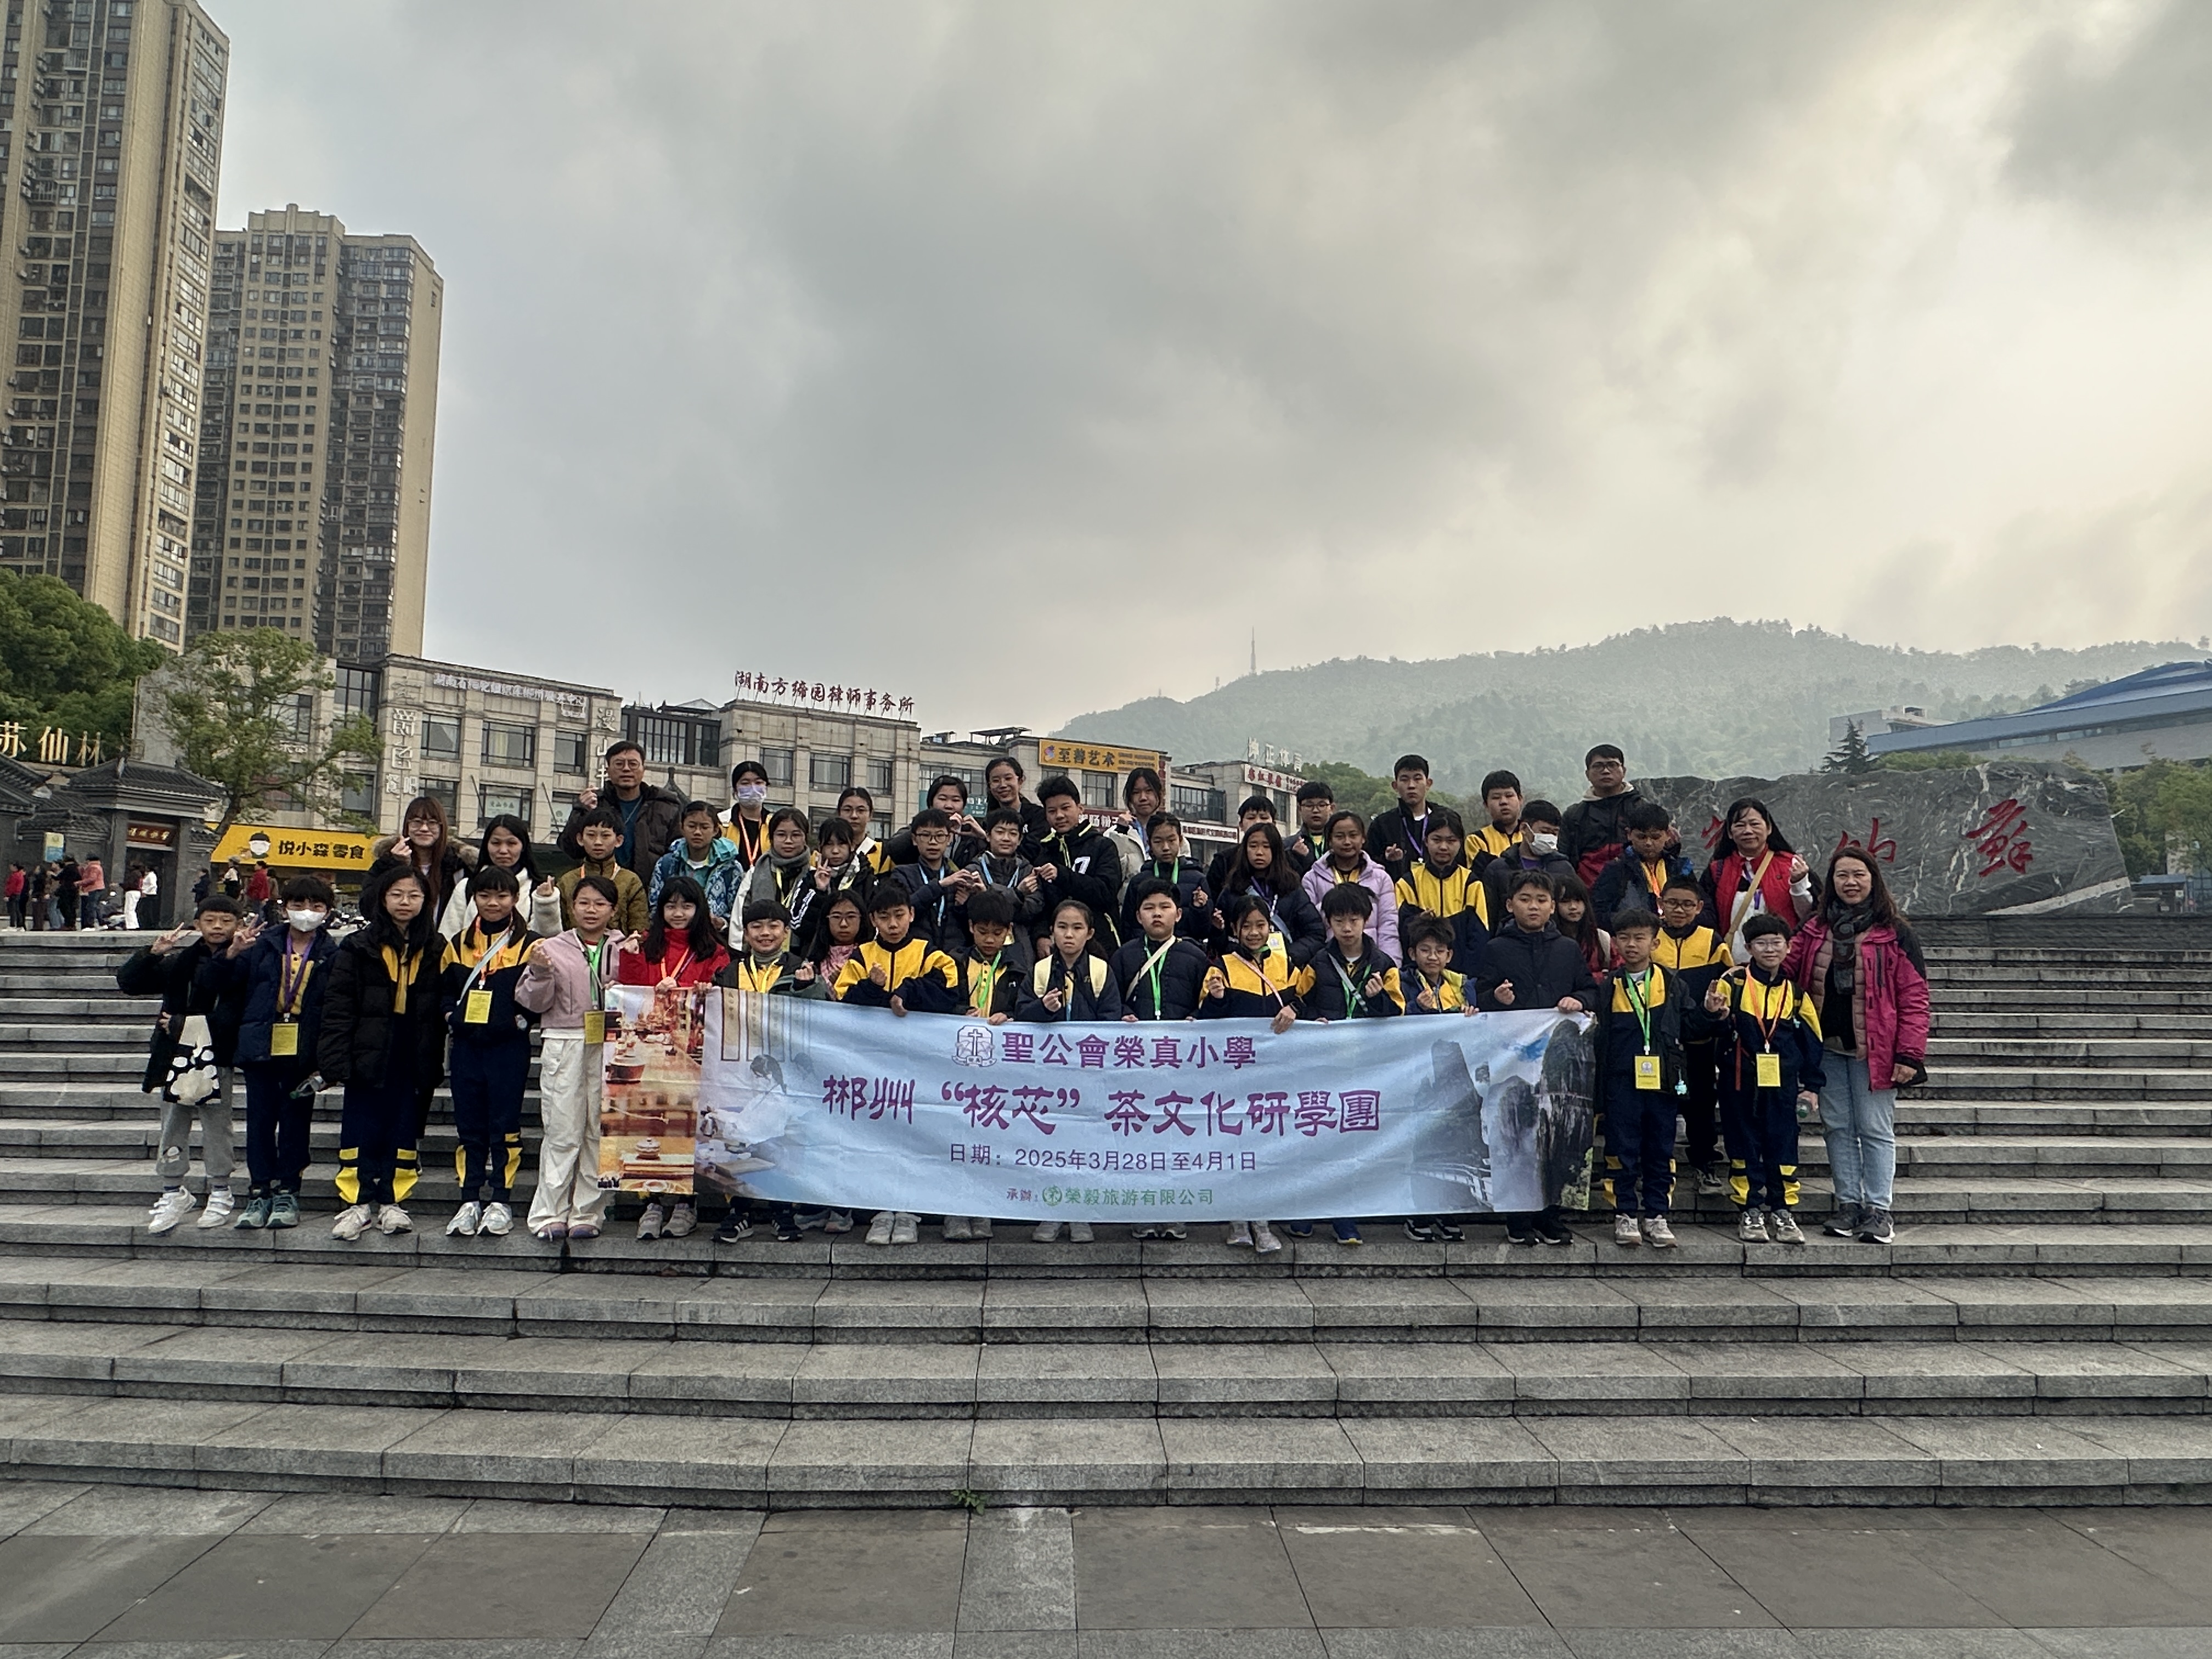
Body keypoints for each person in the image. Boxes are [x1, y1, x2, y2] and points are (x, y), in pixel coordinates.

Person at [1783, 847, 1929, 1246]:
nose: (1850, 882)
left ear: (1873, 880)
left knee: (1875, 1129)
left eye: (1858, 875)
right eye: (1842, 875)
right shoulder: (1815, 928)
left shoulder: (1895, 932)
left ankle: (1879, 1210)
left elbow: (1915, 996)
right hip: (1826, 1047)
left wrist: (1910, 1054)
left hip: (1875, 1050)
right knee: (1837, 1127)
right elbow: (1786, 967)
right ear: (1830, 883)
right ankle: (1848, 1204)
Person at [318, 864, 445, 1241]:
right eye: (397, 895)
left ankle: (393, 1200)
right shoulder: (358, 946)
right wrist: (335, 1059)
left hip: (413, 1046)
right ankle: (356, 1202)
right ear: (382, 899)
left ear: (426, 901)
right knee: (361, 1125)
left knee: (403, 1124)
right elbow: (338, 1006)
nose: (405, 902)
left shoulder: (436, 946)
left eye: (414, 895)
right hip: (368, 1046)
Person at [1476, 870, 1598, 1246]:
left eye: (1542, 900)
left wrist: (1579, 1000)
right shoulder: (1496, 948)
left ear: (1553, 907)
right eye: (1525, 899)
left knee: (1555, 1138)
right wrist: (1497, 999)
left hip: (1558, 1066)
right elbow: (1478, 999)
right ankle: (1518, 1217)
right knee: (1517, 1137)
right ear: (1510, 904)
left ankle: (1551, 1215)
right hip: (1513, 1067)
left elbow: (1591, 991)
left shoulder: (1567, 949)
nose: (1534, 907)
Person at [117, 896, 250, 1233]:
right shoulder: (182, 961)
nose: (217, 927)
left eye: (226, 921)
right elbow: (130, 983)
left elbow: (235, 1011)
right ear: (197, 924)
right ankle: (173, 1190)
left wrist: (181, 1024)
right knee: (173, 1122)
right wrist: (153, 953)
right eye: (210, 920)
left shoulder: (246, 960)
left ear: (239, 924)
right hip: (174, 1054)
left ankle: (220, 1189)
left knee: (217, 1124)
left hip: (217, 1053)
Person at [618, 874, 731, 1242]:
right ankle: (652, 1202)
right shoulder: (645, 946)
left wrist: (706, 990)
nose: (678, 913)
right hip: (649, 1053)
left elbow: (721, 994)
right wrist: (631, 959)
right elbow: (629, 994)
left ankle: (686, 1204)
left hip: (693, 1054)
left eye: (687, 906)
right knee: (651, 1123)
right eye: (671, 906)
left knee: (686, 1125)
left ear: (700, 909)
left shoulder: (714, 951)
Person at [1286, 883, 1402, 1248]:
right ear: (1329, 922)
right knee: (1316, 1138)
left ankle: (1344, 1217)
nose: (1347, 928)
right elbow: (1297, 1002)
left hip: (1365, 1069)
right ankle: (1306, 1210)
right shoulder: (1317, 962)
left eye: (1354, 920)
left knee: (1350, 1144)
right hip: (1322, 1067)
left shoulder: (1384, 966)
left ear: (1367, 920)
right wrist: (1309, 1019)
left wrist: (1378, 998)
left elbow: (1398, 1015)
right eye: (1339, 921)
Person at [222, 876, 338, 1230]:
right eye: (298, 905)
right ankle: (259, 1189)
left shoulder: (332, 952)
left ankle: (288, 1188)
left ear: (327, 912)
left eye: (316, 906)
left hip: (303, 1048)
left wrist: (326, 1059)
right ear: (285, 907)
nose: (307, 912)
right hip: (262, 1043)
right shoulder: (263, 944)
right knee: (259, 1121)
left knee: (295, 1121)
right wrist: (233, 954)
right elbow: (228, 988)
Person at [515, 872, 625, 1242]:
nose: (591, 910)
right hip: (565, 1039)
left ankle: (588, 1212)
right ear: (571, 907)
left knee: (599, 1129)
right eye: (583, 903)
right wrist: (540, 972)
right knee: (562, 1129)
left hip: (610, 1042)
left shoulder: (625, 947)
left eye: (600, 904)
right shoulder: (551, 947)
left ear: (613, 909)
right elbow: (533, 1002)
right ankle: (549, 1212)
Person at [714, 899, 832, 1243]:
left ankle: (783, 1211)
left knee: (780, 1138)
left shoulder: (801, 968)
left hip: (785, 1072)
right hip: (740, 1068)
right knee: (741, 1137)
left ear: (786, 931)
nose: (765, 933)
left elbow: (824, 1015)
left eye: (773, 926)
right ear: (746, 933)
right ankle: (740, 1211)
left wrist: (810, 988)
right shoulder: (730, 971)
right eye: (756, 927)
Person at [1705, 913, 1824, 1246]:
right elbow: (1713, 1028)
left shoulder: (1795, 993)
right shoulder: (1733, 984)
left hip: (1781, 1083)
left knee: (1783, 1143)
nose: (1769, 950)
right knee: (1742, 1144)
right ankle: (1750, 1209)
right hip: (1739, 1081)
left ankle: (1783, 1210)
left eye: (1776, 943)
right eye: (1761, 943)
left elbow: (1812, 1042)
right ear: (1748, 948)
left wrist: (1812, 1086)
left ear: (1788, 947)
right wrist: (1715, 1014)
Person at [437, 865, 541, 1242]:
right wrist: (451, 1016)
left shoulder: (531, 944)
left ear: (515, 899)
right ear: (474, 899)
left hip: (508, 1048)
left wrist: (520, 1021)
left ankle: (501, 1199)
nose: (493, 903)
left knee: (504, 1125)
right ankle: (469, 1199)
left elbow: (540, 994)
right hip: (466, 1047)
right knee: (469, 1126)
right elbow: (444, 990)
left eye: (502, 896)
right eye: (485, 895)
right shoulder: (458, 943)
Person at [1593, 908, 1692, 1250]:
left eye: (1640, 938)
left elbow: (1692, 1026)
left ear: (1655, 942)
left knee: (1660, 1149)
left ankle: (1657, 1214)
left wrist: (1713, 1013)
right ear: (1616, 943)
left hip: (1662, 1082)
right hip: (1622, 1082)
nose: (1632, 945)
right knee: (1622, 1149)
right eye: (1624, 938)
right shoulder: (1609, 987)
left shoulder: (1673, 984)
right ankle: (1625, 1213)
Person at [1022, 899, 1119, 1245]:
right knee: (1050, 1145)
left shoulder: (1101, 971)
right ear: (1052, 931)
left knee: (1083, 1145)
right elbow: (1021, 1016)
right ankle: (1050, 1213)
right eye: (1062, 927)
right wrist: (1043, 1009)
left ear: (1089, 933)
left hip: (1087, 1074)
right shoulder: (1040, 970)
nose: (1069, 935)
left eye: (1077, 928)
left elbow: (1111, 1019)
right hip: (1048, 1075)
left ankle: (1081, 1214)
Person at [1655, 874, 1731, 1197]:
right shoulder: (1651, 937)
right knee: (1659, 1106)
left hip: (1699, 1040)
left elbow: (1726, 985)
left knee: (1701, 1105)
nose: (1679, 910)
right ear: (1661, 903)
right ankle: (1655, 1168)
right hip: (1659, 1042)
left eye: (1687, 904)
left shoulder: (1712, 941)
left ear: (1699, 907)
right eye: (1672, 903)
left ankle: (1705, 1165)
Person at [1701, 797, 1816, 957]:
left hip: (1782, 961)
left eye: (1755, 824)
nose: (1748, 831)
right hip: (1732, 962)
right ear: (1729, 833)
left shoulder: (1792, 865)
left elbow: (1811, 916)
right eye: (1740, 825)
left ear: (1769, 828)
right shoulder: (1717, 870)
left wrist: (1798, 884)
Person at [561, 740, 686, 883]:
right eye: (619, 764)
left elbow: (679, 854)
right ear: (608, 770)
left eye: (633, 764)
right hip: (600, 889)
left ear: (643, 769)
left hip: (651, 889)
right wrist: (581, 810)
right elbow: (571, 850)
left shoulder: (666, 806)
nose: (626, 769)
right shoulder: (596, 803)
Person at [1210, 821, 1327, 969]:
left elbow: (1315, 933)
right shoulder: (1232, 890)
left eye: (1266, 847)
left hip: (1285, 970)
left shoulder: (1292, 888)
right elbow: (1220, 942)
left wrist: (1289, 957)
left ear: (1276, 850)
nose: (1259, 852)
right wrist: (1222, 936)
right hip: (1243, 970)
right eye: (1253, 846)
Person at [1393, 808, 1488, 974]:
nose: (1443, 847)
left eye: (1451, 841)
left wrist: (1466, 977)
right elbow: (1400, 931)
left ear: (1460, 843)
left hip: (1461, 976)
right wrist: (1419, 922)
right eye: (1436, 840)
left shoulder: (1471, 884)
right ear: (1426, 841)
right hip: (1417, 976)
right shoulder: (1408, 883)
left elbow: (1479, 937)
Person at [1301, 809, 1402, 966]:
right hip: (1328, 963)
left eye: (1353, 835)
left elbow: (1388, 927)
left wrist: (1390, 966)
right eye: (1339, 836)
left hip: (1371, 963)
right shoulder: (1312, 879)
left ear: (1363, 839)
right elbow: (1310, 927)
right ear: (1329, 840)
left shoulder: (1381, 878)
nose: (1347, 842)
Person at [1034, 775, 1124, 949]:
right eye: (1052, 811)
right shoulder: (1044, 852)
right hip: (1059, 945)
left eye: (1065, 808)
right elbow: (1041, 904)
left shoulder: (1102, 845)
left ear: (1080, 808)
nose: (1059, 816)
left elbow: (1106, 892)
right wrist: (1041, 935)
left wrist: (1061, 875)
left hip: (1101, 942)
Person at [1113, 877, 1212, 1022]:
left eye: (1165, 907)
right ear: (1139, 917)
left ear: (1178, 915)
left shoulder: (1196, 957)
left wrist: (1196, 1016)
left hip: (1181, 1035)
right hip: (1136, 1034)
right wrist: (1124, 1013)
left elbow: (1208, 1001)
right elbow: (1112, 999)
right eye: (1149, 908)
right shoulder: (1123, 956)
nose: (1157, 914)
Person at [372, 795, 474, 936]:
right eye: (417, 822)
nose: (424, 829)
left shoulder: (459, 866)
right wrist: (395, 864)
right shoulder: (388, 861)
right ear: (407, 826)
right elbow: (369, 907)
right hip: (395, 943)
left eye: (432, 823)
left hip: (443, 945)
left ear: (442, 827)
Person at [1201, 896, 1302, 1031]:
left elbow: (1305, 1001)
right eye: (1246, 927)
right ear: (1234, 929)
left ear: (1270, 927)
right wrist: (1216, 1000)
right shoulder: (1220, 970)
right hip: (1240, 1043)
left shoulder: (1286, 966)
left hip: (1279, 1043)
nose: (1254, 933)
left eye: (1261, 926)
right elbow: (1204, 1022)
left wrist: (1294, 1008)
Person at [1590, 801, 1695, 926]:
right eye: (1641, 837)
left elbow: (1703, 908)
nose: (1648, 843)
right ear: (1629, 834)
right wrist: (1634, 922)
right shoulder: (1616, 869)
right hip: (1635, 933)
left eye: (1655, 837)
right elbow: (1598, 913)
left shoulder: (1681, 869)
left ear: (1668, 834)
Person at [884, 806, 973, 949]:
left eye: (940, 836)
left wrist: (964, 906)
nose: (933, 842)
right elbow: (900, 913)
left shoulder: (957, 878)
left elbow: (967, 927)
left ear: (949, 839)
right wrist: (939, 886)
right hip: (916, 954)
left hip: (953, 956)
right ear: (914, 840)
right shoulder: (902, 874)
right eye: (925, 835)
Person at [1481, 799, 1575, 932]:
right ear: (1524, 829)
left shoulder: (1564, 868)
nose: (1550, 838)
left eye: (1554, 833)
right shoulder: (1498, 869)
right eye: (1544, 832)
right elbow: (1490, 915)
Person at [1116, 811, 1208, 945]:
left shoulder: (1197, 880)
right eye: (1158, 841)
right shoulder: (1138, 882)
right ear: (1149, 843)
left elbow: (1204, 931)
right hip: (1146, 952)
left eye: (1171, 840)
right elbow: (1128, 927)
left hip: (1185, 951)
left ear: (1180, 841)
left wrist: (1200, 910)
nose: (1166, 847)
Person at [963, 808, 1043, 957]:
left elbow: (1032, 911)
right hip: (979, 947)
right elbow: (972, 911)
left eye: (1013, 834)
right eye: (1000, 832)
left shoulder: (1028, 871)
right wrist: (1018, 894)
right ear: (988, 836)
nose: (1006, 838)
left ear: (1020, 840)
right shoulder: (973, 871)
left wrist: (987, 894)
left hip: (1020, 948)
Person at [1560, 744, 1643, 888]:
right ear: (1587, 774)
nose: (1606, 771)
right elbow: (1565, 857)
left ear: (1623, 771)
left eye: (1612, 765)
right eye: (1598, 766)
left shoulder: (1640, 809)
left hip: (1634, 888)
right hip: (1587, 889)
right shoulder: (1575, 815)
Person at [650, 800, 745, 924]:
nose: (697, 832)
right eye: (692, 826)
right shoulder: (666, 864)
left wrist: (722, 922)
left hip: (714, 933)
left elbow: (738, 911)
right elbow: (655, 905)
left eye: (704, 827)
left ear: (716, 830)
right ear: (682, 828)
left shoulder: (731, 868)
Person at [558, 807, 648, 935]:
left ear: (619, 841)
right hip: (573, 946)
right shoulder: (567, 881)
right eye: (591, 835)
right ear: (580, 839)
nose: (598, 842)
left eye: (605, 836)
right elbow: (558, 926)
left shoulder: (631, 881)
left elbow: (639, 930)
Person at [472, 814, 562, 935]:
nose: (503, 851)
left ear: (523, 846)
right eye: (496, 843)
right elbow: (451, 937)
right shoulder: (467, 886)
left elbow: (549, 939)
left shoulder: (538, 890)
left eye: (511, 843)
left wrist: (546, 903)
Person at [797, 817, 873, 959]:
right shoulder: (810, 879)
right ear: (820, 847)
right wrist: (819, 892)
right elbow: (798, 925)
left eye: (842, 844)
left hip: (860, 957)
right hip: (817, 957)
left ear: (852, 846)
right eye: (829, 845)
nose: (835, 851)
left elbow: (872, 924)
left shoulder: (866, 878)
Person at [955, 887, 1026, 1024]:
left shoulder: (1017, 971)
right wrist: (960, 1012)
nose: (989, 940)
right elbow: (942, 1002)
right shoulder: (956, 963)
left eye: (997, 933)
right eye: (982, 932)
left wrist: (1008, 1015)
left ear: (1009, 930)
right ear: (971, 926)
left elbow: (1023, 1009)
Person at [736, 807, 816, 927]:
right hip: (760, 937)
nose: (788, 841)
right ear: (771, 838)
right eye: (781, 835)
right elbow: (740, 918)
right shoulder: (754, 874)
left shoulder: (815, 877)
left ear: (805, 839)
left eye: (796, 835)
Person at [1365, 754, 1438, 882]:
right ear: (1395, 786)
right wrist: (1387, 859)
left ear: (1428, 783)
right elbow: (1369, 867)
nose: (1411, 785)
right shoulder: (1382, 824)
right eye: (1405, 780)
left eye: (1417, 779)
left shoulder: (1444, 819)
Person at [1105, 766, 1166, 901]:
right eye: (1136, 792)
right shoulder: (1114, 834)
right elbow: (1111, 876)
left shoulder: (1173, 833)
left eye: (1149, 791)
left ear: (1160, 794)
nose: (1143, 798)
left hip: (1163, 908)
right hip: (1127, 908)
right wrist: (1121, 833)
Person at [1205, 797, 1279, 895]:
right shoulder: (1223, 861)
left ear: (1274, 824)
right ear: (1241, 824)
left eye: (1264, 818)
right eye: (1251, 818)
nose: (1257, 822)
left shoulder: (1287, 860)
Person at [983, 754, 1051, 847]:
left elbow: (1034, 849)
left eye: (1008, 779)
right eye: (996, 781)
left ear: (1020, 781)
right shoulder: (988, 821)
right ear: (989, 786)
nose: (1003, 785)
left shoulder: (1039, 816)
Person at [1554, 874, 1609, 978]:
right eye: (1565, 902)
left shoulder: (1601, 939)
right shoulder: (1547, 940)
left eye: (1578, 900)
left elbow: (1617, 973)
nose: (1573, 907)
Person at [722, 759, 774, 868]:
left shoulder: (774, 824)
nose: (753, 788)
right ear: (735, 790)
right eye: (745, 783)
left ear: (766, 788)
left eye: (758, 783)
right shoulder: (722, 823)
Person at [811, 889, 868, 986]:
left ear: (861, 919)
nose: (843, 924)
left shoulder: (871, 957)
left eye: (851, 917)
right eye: (837, 917)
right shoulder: (814, 962)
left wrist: (844, 984)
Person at [838, 786, 895, 876]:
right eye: (847, 810)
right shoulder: (824, 853)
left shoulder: (884, 854)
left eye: (861, 811)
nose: (854, 816)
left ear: (871, 815)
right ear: (839, 813)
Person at [1471, 771, 1523, 865]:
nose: (1504, 802)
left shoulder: (1532, 837)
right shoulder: (1477, 840)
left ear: (1520, 799)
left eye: (1509, 796)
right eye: (1496, 798)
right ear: (1486, 805)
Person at [1286, 780, 1335, 874]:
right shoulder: (1288, 846)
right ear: (1300, 809)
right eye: (1309, 805)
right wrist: (1295, 858)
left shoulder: (1341, 843)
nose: (1316, 810)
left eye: (1322, 805)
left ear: (1332, 808)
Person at [77, 852, 105, 929]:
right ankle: (101, 922)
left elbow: (92, 879)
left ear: (89, 860)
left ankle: (91, 924)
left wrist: (80, 883)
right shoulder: (97, 866)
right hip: (97, 888)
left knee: (91, 906)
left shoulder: (93, 867)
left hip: (94, 888)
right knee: (96, 906)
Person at [54, 852, 78, 929]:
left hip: (66, 890)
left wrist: (52, 875)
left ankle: (68, 924)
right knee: (72, 907)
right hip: (74, 890)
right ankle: (72, 924)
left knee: (65, 907)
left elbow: (59, 877)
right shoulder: (77, 868)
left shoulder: (68, 868)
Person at [137, 862, 160, 930]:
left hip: (150, 895)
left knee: (148, 910)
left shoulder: (152, 875)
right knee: (145, 910)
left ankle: (150, 925)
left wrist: (145, 892)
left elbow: (153, 885)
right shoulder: (148, 875)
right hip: (147, 894)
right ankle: (145, 924)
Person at [4, 863, 25, 930]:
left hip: (13, 894)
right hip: (17, 894)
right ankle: (20, 925)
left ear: (15, 867)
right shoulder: (20, 875)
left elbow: (12, 886)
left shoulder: (15, 876)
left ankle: (13, 925)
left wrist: (8, 895)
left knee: (12, 910)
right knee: (17, 909)